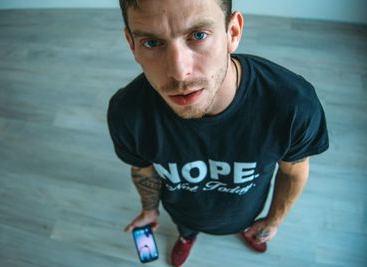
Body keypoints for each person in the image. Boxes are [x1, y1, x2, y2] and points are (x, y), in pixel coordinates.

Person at [107, 0, 329, 266]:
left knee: (247, 223)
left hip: (248, 211)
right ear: (132, 45)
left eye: (198, 35)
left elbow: (293, 171)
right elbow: (143, 169)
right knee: (186, 228)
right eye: (152, 43)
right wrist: (150, 210)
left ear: (232, 32)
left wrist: (273, 220)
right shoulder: (126, 112)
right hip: (183, 214)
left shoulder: (293, 105)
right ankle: (187, 237)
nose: (179, 72)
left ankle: (248, 231)